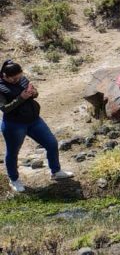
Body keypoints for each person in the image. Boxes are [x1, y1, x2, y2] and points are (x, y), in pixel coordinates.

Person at [0, 60, 73, 193]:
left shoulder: (22, 79)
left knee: (51, 143)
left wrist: (33, 93)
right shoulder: (1, 88)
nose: (18, 80)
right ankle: (14, 179)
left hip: (34, 120)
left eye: (19, 76)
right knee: (13, 152)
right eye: (14, 78)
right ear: (5, 76)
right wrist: (21, 97)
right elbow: (5, 108)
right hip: (14, 125)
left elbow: (35, 94)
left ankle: (56, 171)